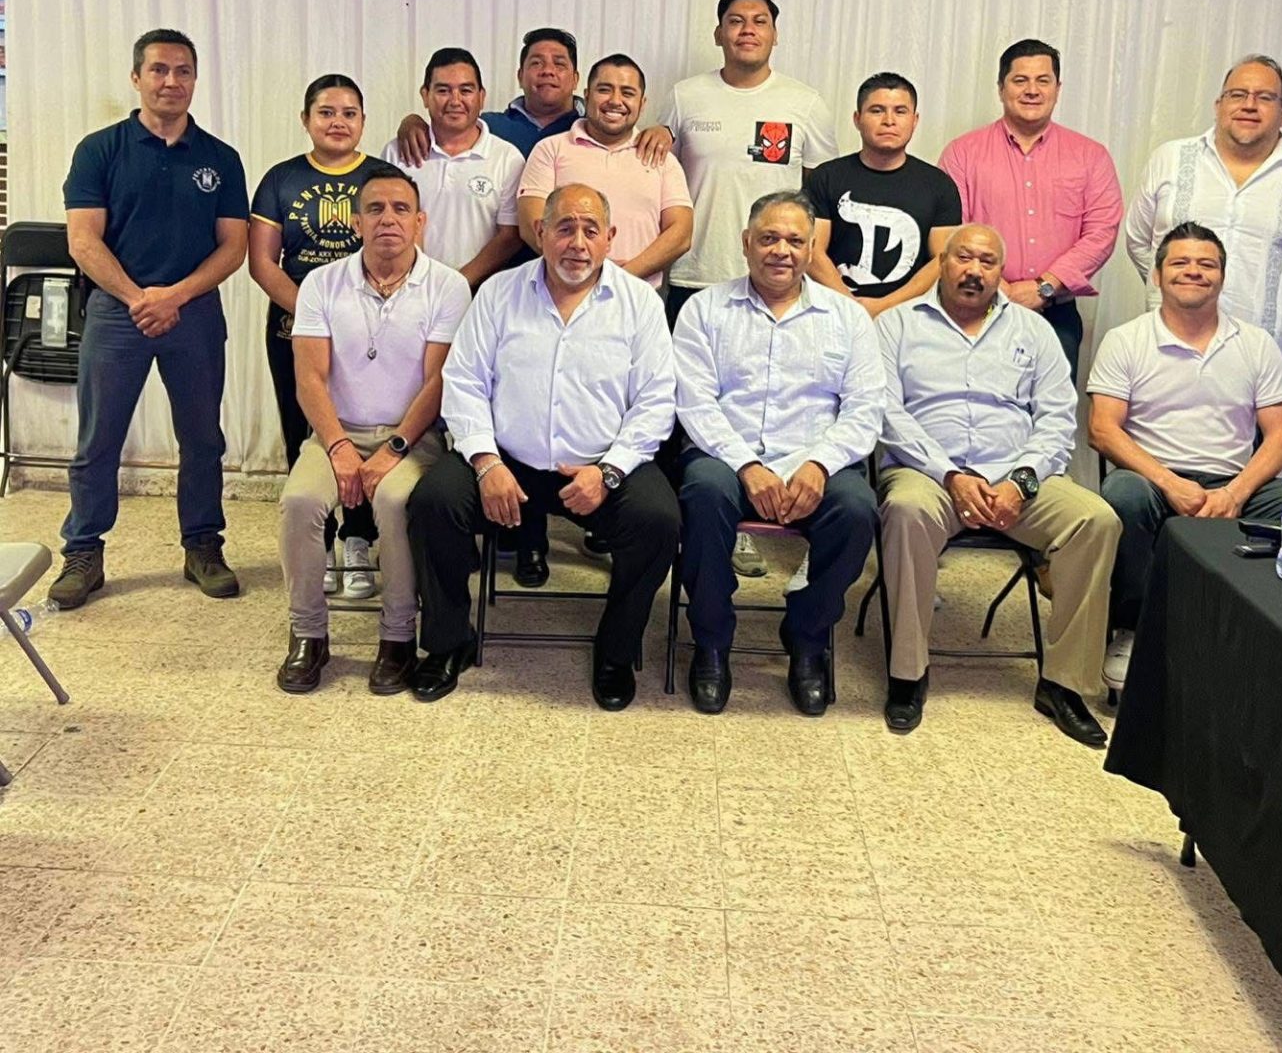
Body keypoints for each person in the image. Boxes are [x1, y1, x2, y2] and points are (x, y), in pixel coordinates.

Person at [406, 184, 678, 710]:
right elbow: (464, 382)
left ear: (609, 238)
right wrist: (486, 463)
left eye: (590, 230)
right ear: (541, 232)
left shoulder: (639, 303)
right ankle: (447, 642)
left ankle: (616, 652)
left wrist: (610, 472)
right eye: (565, 227)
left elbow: (656, 400)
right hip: (507, 461)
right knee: (434, 503)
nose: (577, 242)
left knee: (658, 520)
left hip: (600, 465)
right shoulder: (498, 294)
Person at [876, 225, 1120, 744]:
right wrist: (950, 475)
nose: (974, 270)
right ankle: (908, 673)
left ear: (1001, 272)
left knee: (1095, 521)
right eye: (963, 257)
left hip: (1016, 475)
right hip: (928, 473)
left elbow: (1057, 419)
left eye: (987, 262)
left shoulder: (1034, 331)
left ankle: (1064, 683)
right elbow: (886, 414)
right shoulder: (897, 325)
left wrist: (1021, 483)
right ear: (942, 262)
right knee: (907, 511)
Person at [637, 0, 839, 578]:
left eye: (759, 20)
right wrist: (660, 130)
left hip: (776, 281)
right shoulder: (685, 96)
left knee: (767, 403)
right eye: (735, 20)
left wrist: (814, 270)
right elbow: (654, 165)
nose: (747, 29)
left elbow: (821, 201)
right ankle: (699, 527)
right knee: (686, 412)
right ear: (718, 33)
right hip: (697, 280)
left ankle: (752, 525)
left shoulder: (804, 103)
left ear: (775, 33)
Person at [51, 30, 249, 609]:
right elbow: (83, 241)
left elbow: (233, 246)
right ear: (136, 78)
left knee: (203, 438)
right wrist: (140, 297)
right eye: (159, 70)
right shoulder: (100, 150)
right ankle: (83, 551)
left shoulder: (220, 159)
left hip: (194, 314)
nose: (171, 81)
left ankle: (203, 545)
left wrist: (174, 297)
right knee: (98, 439)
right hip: (117, 314)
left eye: (183, 71)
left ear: (195, 80)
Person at [673, 191, 882, 717]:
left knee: (858, 510)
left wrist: (819, 464)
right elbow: (693, 402)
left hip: (816, 461)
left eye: (794, 240)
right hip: (726, 459)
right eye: (768, 238)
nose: (781, 251)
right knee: (702, 493)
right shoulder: (704, 310)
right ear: (746, 243)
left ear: (812, 249)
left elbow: (865, 410)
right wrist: (747, 466)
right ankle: (711, 642)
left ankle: (807, 638)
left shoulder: (847, 318)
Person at [277, 165, 470, 694]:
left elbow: (438, 382)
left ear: (420, 222)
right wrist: (338, 446)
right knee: (299, 502)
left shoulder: (448, 286)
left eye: (401, 209)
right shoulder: (321, 283)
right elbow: (309, 379)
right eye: (375, 209)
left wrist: (394, 448)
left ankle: (398, 636)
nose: (389, 219)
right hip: (334, 432)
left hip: (413, 437)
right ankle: (308, 633)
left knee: (394, 500)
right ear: (356, 222)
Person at [1088, 222, 1282, 691]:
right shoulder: (1126, 339)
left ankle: (1265, 642)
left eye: (1207, 264)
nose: (1194, 272)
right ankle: (1131, 629)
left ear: (1222, 276)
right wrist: (1169, 482)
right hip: (1152, 478)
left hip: (1233, 481)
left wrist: (1235, 493)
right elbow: (1102, 429)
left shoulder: (1256, 344)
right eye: (1180, 262)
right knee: (1123, 494)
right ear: (1157, 275)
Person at [250, 74, 385, 598]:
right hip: (294, 326)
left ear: (363, 121)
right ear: (306, 119)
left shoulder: (381, 176)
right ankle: (320, 540)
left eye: (349, 113)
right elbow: (262, 262)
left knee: (363, 429)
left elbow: (397, 252)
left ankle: (359, 538)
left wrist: (349, 319)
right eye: (326, 112)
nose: (338, 122)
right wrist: (313, 315)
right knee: (303, 430)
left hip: (369, 328)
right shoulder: (281, 179)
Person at [1124, 54, 1282, 361]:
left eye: (1265, 97)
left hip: (1262, 359)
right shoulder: (1170, 160)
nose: (1249, 105)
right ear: (1219, 106)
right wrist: (1169, 295)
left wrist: (1280, 311)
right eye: (1238, 94)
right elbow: (1139, 241)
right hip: (1167, 351)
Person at [940, 39, 1123, 384]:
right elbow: (951, 230)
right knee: (970, 408)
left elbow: (1102, 231)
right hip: (977, 309)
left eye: (1043, 80)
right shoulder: (962, 153)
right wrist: (997, 287)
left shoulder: (1090, 156)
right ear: (1001, 88)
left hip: (1057, 315)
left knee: (1051, 413)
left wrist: (1044, 288)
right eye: (1020, 80)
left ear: (1058, 88)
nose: (1032, 90)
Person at [517, 53, 693, 289]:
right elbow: (532, 225)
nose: (615, 101)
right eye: (604, 90)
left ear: (642, 104)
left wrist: (619, 277)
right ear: (587, 95)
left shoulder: (662, 159)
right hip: (562, 292)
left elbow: (681, 234)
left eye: (627, 93)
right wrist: (582, 272)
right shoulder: (550, 149)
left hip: (638, 294)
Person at [804, 72, 961, 319]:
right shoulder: (825, 177)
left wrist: (884, 306)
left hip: (910, 317)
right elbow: (811, 251)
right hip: (835, 313)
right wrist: (852, 307)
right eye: (876, 111)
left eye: (900, 111)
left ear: (915, 120)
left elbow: (943, 260)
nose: (889, 121)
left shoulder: (939, 185)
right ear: (857, 119)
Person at [380, 48, 524, 287]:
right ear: (425, 95)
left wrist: (457, 283)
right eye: (443, 90)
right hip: (407, 290)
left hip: (479, 292)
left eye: (465, 90)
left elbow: (509, 236)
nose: (455, 101)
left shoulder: (507, 158)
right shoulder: (397, 152)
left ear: (481, 97)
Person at [396, 29, 584, 163]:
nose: (548, 71)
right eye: (536, 63)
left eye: (559, 64)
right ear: (520, 76)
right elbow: (446, 130)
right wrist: (412, 122)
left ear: (575, 79)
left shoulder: (589, 130)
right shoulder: (489, 126)